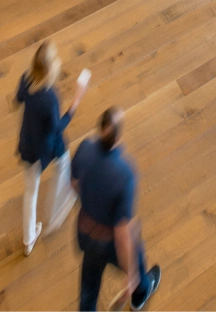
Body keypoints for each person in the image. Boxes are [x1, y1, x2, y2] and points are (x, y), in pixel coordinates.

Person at [72, 107, 161, 312]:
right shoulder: (125, 174)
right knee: (136, 259)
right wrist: (130, 276)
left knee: (88, 287)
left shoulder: (84, 147)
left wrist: (91, 200)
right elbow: (122, 234)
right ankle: (140, 293)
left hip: (85, 233)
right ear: (119, 137)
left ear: (100, 128)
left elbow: (74, 183)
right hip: (108, 241)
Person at [17, 40, 88, 257]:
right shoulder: (49, 98)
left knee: (31, 191)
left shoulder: (26, 79)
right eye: (55, 59)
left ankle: (28, 239)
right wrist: (76, 101)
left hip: (28, 145)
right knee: (64, 161)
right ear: (49, 69)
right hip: (46, 147)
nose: (59, 61)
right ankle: (59, 210)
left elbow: (19, 97)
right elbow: (56, 128)